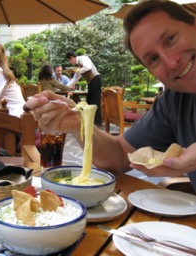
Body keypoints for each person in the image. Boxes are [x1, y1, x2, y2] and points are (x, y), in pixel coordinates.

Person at [25, 0, 196, 192]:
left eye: (171, 38)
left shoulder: (83, 60)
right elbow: (120, 155)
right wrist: (78, 123)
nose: (172, 62)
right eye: (153, 59)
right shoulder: (174, 102)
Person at [66, 51, 102, 126]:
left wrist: (78, 70)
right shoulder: (78, 66)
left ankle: (97, 122)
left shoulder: (83, 58)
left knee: (95, 101)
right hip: (90, 83)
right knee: (90, 101)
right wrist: (65, 87)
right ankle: (91, 121)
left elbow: (88, 67)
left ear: (72, 58)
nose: (70, 62)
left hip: (95, 80)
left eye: (69, 60)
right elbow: (75, 79)